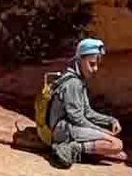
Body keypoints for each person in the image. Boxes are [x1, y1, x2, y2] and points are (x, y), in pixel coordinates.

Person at [41, 37, 126, 166]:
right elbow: (77, 119)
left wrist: (110, 120)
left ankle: (80, 148)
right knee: (116, 145)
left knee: (118, 152)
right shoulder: (73, 83)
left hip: (70, 127)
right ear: (80, 60)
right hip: (63, 130)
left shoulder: (80, 81)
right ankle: (70, 148)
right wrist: (102, 131)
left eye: (97, 64)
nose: (95, 69)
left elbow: (87, 112)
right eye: (91, 64)